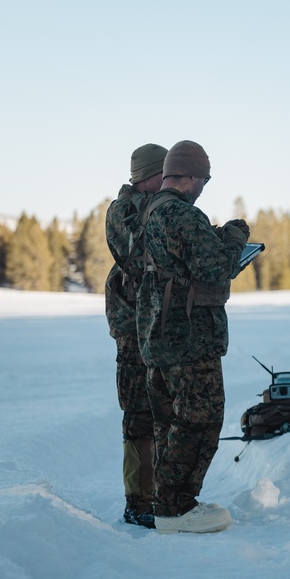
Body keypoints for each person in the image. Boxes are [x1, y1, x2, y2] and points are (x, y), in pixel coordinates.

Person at [136, 140, 249, 534]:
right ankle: (177, 507)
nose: (203, 188)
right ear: (191, 177)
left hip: (159, 336)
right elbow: (217, 268)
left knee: (169, 422)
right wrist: (234, 239)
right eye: (203, 180)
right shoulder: (184, 215)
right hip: (190, 341)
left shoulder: (151, 211)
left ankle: (166, 501)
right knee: (200, 421)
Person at [105, 143, 168, 529]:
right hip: (133, 327)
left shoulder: (153, 207)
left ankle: (160, 495)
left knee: (161, 411)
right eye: (168, 173)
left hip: (155, 326)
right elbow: (138, 255)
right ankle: (139, 500)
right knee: (138, 414)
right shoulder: (124, 209)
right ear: (150, 175)